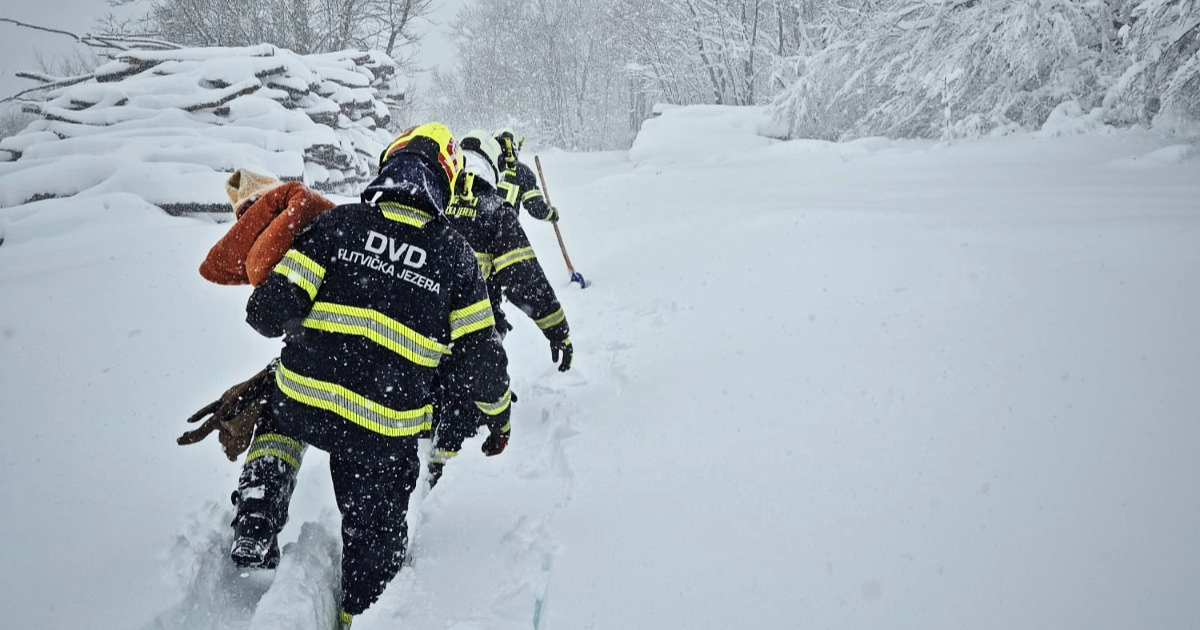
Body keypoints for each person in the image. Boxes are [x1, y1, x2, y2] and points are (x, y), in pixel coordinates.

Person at [236, 122, 511, 629]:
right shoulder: (455, 259)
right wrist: (500, 419)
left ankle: (260, 501)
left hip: (306, 397)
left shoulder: (340, 225)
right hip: (380, 432)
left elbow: (265, 313)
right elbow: (482, 363)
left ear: (391, 165)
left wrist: (304, 323)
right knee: (375, 538)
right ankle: (357, 613)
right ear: (443, 186)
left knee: (279, 416)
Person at [427, 130, 573, 485]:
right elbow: (527, 281)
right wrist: (559, 332)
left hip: (413, 340)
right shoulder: (494, 211)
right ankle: (439, 479)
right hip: (470, 342)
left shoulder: (430, 200)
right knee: (463, 409)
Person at [493, 127, 559, 222]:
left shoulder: (485, 166)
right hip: (505, 228)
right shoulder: (522, 172)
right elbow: (535, 206)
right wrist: (550, 214)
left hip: (479, 227)